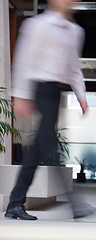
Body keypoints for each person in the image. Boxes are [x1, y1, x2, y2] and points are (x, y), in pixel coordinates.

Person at [5, 0, 89, 220]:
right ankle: (75, 205)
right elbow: (23, 60)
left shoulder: (76, 31)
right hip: (40, 88)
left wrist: (81, 95)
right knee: (48, 143)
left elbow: (73, 68)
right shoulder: (37, 25)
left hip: (57, 93)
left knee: (40, 148)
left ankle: (15, 203)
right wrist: (20, 95)